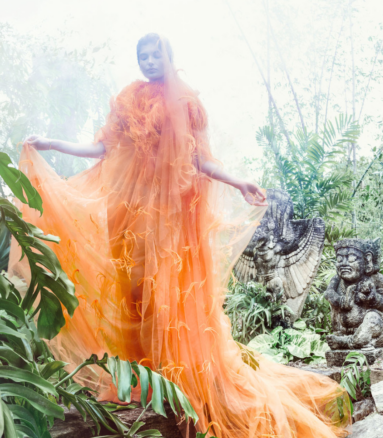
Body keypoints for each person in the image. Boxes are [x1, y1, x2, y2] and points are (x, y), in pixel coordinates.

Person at [14, 33, 351, 438]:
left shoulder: (184, 103)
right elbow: (101, 149)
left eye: (157, 54)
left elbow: (200, 161)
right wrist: (50, 144)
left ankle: (178, 382)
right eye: (143, 54)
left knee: (168, 301)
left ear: (169, 56)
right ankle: (140, 382)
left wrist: (240, 182)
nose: (150, 60)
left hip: (169, 224)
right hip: (127, 218)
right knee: (132, 296)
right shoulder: (128, 99)